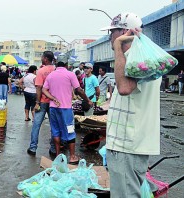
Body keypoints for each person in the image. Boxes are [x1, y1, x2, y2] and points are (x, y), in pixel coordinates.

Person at [101, 12, 160, 197]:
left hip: (128, 146)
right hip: (127, 145)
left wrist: (118, 46)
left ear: (125, 32)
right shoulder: (134, 57)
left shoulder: (137, 59)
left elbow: (125, 88)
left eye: (112, 32)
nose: (110, 36)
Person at [42, 54, 92, 164]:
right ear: (66, 64)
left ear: (56, 63)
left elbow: (44, 90)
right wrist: (88, 100)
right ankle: (72, 156)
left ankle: (58, 155)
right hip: (66, 109)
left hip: (53, 108)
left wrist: (52, 98)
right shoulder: (70, 74)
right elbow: (78, 90)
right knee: (70, 130)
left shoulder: (51, 75)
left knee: (56, 131)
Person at [27, 51, 56, 157]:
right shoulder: (56, 70)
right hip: (54, 102)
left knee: (36, 125)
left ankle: (33, 148)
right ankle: (53, 149)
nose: (41, 58)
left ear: (45, 59)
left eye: (42, 56)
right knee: (54, 126)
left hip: (43, 101)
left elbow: (39, 87)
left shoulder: (41, 71)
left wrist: (37, 102)